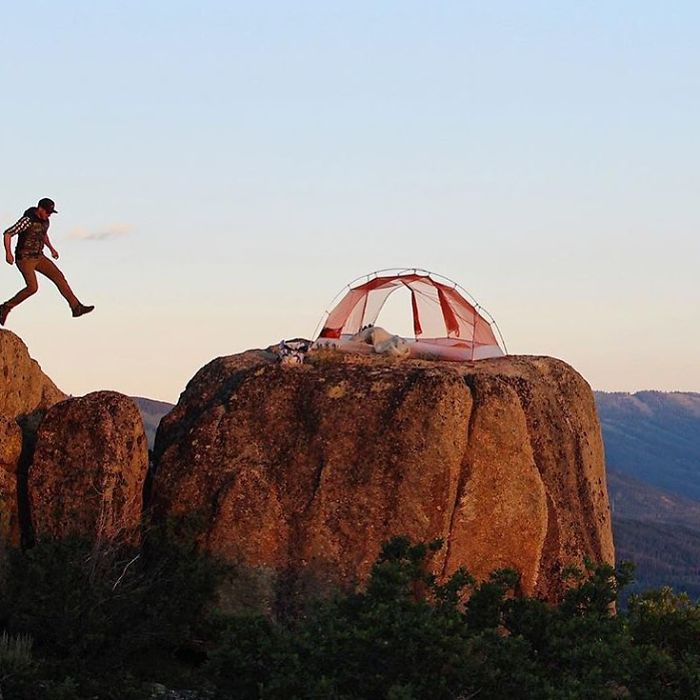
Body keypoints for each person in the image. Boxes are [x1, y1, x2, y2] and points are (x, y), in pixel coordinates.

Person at [0, 197, 94, 326]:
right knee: (33, 288)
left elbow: (42, 234)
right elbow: (7, 233)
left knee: (58, 276)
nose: (49, 215)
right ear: (40, 209)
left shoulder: (46, 221)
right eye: (47, 212)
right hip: (25, 259)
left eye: (50, 213)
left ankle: (76, 307)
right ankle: (5, 307)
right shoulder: (27, 220)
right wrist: (8, 253)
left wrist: (51, 248)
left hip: (39, 257)